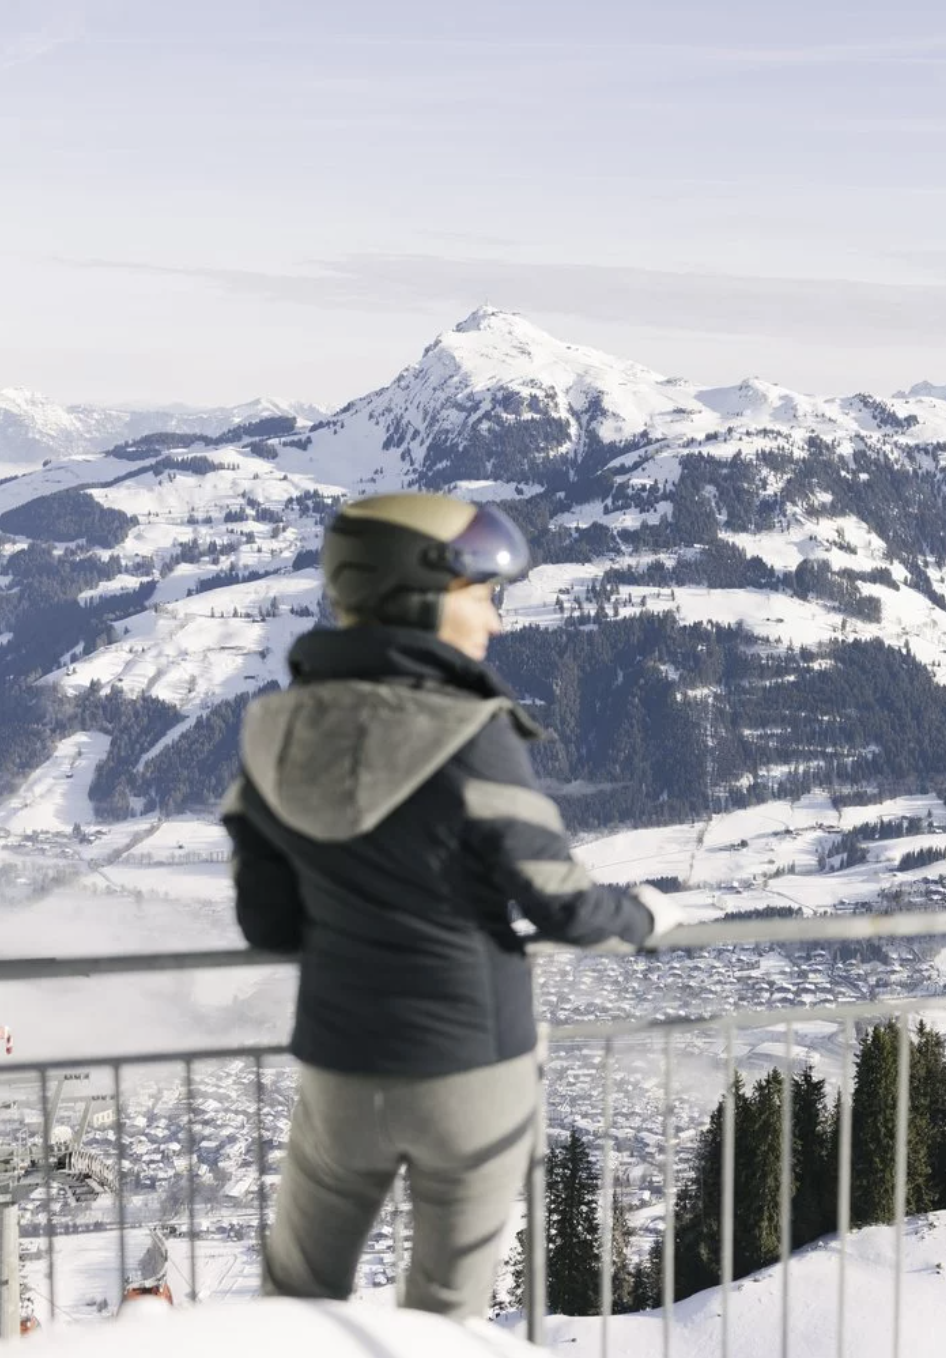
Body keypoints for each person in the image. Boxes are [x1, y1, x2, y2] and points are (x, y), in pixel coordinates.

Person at [220, 491, 681, 1320]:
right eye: (483, 594)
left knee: (291, 1305)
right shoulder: (469, 733)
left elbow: (269, 923)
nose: (496, 621)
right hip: (470, 1069)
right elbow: (563, 906)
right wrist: (645, 918)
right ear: (423, 593)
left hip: (339, 1066)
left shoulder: (273, 729)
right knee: (445, 1317)